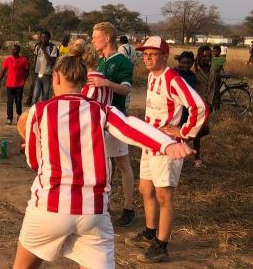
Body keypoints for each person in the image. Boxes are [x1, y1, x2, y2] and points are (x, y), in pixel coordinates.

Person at [13, 56, 194, 269]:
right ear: (84, 82)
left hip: (49, 207)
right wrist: (167, 144)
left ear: (56, 77)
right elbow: (130, 126)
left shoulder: (39, 110)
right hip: (94, 213)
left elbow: (34, 162)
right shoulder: (101, 110)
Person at [125, 36, 207, 263]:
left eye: (152, 54)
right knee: (145, 189)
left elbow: (199, 106)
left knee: (164, 195)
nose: (147, 58)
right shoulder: (152, 76)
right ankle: (150, 232)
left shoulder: (173, 79)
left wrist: (183, 132)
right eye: (144, 54)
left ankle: (162, 245)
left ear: (164, 55)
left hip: (167, 147)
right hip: (149, 143)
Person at [89, 22, 137, 228]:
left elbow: (126, 90)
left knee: (123, 164)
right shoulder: (102, 61)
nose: (92, 40)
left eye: (95, 36)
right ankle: (105, 205)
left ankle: (129, 208)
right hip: (102, 120)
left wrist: (106, 83)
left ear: (107, 38)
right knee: (104, 165)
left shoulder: (122, 62)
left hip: (116, 119)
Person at [192, 46, 219, 168]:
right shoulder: (194, 70)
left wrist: (210, 102)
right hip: (195, 105)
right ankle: (197, 159)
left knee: (205, 130)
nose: (207, 58)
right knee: (198, 132)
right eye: (204, 56)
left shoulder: (212, 70)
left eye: (209, 56)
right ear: (199, 56)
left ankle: (184, 139)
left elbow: (212, 88)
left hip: (206, 105)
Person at [0, 44, 30, 125]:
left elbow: (27, 70)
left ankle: (19, 115)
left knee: (18, 101)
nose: (12, 51)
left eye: (14, 50)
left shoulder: (23, 60)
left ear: (18, 51)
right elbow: (3, 71)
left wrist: (24, 79)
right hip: (10, 85)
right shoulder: (7, 60)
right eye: (12, 49)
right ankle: (9, 118)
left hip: (19, 84)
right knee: (9, 102)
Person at [31, 30, 58, 103]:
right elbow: (35, 59)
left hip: (47, 74)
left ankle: (43, 112)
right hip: (37, 73)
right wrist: (33, 71)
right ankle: (33, 112)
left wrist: (44, 50)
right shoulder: (37, 46)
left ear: (49, 38)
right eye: (42, 37)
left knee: (45, 96)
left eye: (45, 37)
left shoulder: (53, 48)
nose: (43, 39)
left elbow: (51, 63)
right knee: (35, 96)